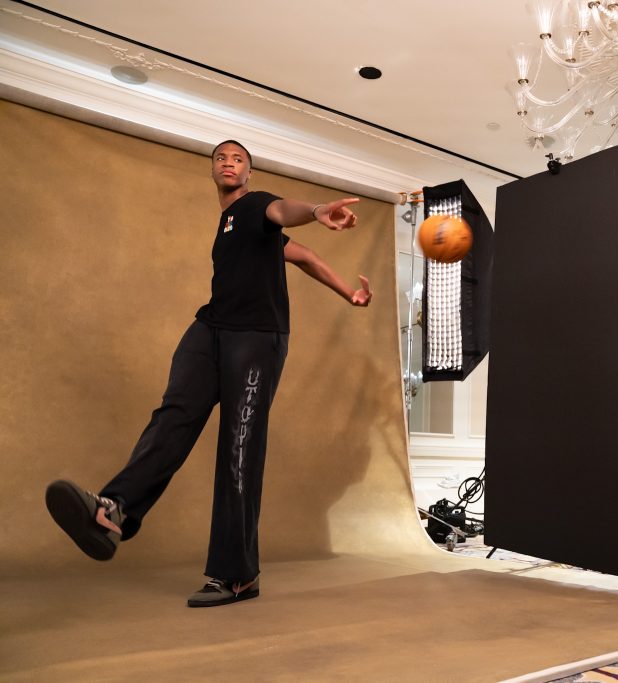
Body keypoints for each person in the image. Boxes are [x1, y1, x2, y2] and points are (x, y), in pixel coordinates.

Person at [45, 140, 373, 608]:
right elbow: (302, 257)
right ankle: (113, 512)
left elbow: (284, 210)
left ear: (249, 174)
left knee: (238, 447)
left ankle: (237, 576)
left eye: (238, 159)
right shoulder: (231, 226)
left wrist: (318, 209)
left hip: (256, 339)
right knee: (173, 416)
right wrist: (348, 292)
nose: (228, 162)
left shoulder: (258, 205)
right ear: (212, 171)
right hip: (212, 330)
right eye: (221, 158)